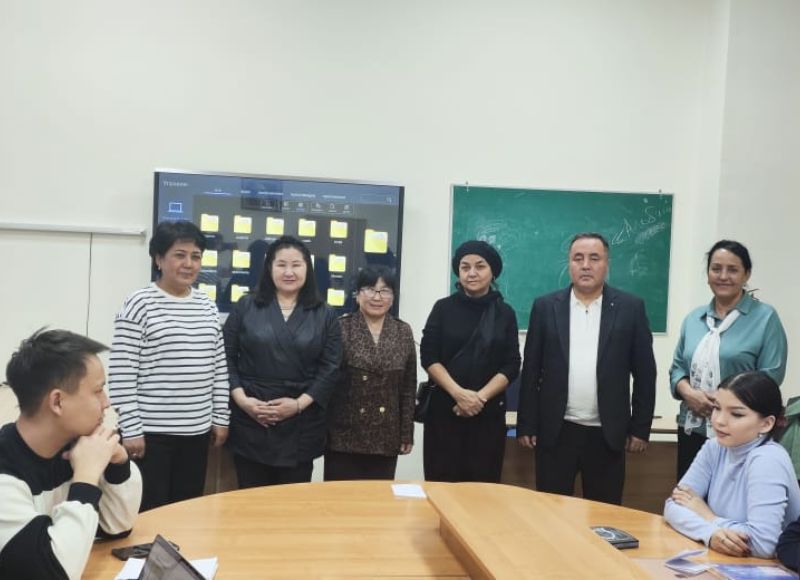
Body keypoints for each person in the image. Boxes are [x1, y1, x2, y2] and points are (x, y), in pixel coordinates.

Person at [517, 232, 656, 505]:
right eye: (578, 258)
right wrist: (526, 424)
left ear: (607, 264)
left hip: (607, 434)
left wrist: (640, 428)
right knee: (551, 512)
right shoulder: (545, 307)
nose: (586, 265)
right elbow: (531, 370)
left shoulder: (630, 308)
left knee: (604, 513)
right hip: (557, 431)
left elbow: (645, 374)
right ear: (569, 264)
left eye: (594, 258)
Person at [0, 329, 142, 579]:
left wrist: (118, 462)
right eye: (98, 391)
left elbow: (116, 526)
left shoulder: (74, 445)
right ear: (57, 402)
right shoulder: (6, 473)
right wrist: (85, 478)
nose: (106, 403)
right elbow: (52, 573)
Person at [109, 220, 230, 511]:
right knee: (150, 511)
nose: (189, 264)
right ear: (159, 259)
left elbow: (218, 369)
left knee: (186, 510)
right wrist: (131, 428)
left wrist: (220, 418)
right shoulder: (139, 304)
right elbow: (122, 372)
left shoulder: (207, 306)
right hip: (151, 435)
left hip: (197, 432)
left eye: (196, 256)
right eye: (180, 255)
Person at [224, 235, 341, 487]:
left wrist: (298, 405)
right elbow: (226, 357)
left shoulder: (326, 313)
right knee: (249, 498)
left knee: (292, 502)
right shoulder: (246, 305)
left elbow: (330, 368)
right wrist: (243, 401)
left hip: (301, 421)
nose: (289, 272)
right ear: (269, 268)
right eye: (281, 264)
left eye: (296, 265)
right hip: (251, 417)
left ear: (307, 269)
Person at [670, 240, 787, 481]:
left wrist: (724, 400)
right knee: (689, 495)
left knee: (732, 498)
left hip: (741, 435)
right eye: (716, 269)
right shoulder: (694, 319)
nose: (723, 276)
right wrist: (690, 394)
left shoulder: (765, 318)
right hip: (693, 429)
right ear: (708, 274)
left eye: (732, 270)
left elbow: (771, 375)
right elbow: (678, 368)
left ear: (747, 274)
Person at [664, 371, 800, 559]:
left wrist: (707, 515)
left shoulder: (768, 459)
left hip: (770, 567)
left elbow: (763, 545)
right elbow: (673, 505)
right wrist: (709, 534)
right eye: (717, 408)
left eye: (736, 414)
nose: (719, 421)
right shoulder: (714, 447)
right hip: (730, 560)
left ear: (766, 424)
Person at [420, 240, 520, 482]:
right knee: (441, 485)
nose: (472, 273)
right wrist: (459, 394)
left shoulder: (505, 313)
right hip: (445, 411)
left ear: (492, 272)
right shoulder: (443, 308)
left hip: (488, 414)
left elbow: (511, 364)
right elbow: (429, 356)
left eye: (480, 266)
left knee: (482, 488)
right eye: (465, 267)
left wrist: (479, 398)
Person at [325, 266, 416, 480]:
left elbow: (408, 387)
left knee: (378, 498)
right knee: (339, 498)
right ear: (357, 295)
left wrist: (406, 432)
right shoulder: (340, 328)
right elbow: (326, 382)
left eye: (385, 291)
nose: (377, 297)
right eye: (370, 289)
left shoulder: (403, 331)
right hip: (344, 435)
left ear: (393, 298)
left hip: (386, 435)